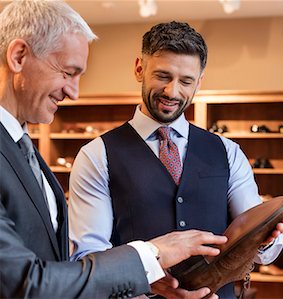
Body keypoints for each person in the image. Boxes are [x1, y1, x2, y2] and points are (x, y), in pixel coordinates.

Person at [0, 2, 228, 298]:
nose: (74, 92)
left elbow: (57, 268)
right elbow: (25, 283)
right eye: (68, 72)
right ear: (19, 56)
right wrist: (152, 253)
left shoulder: (22, 147)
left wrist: (140, 280)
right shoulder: (95, 153)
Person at [69, 21, 283, 298]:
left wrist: (265, 239)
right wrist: (145, 281)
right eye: (163, 76)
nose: (172, 92)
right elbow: (89, 258)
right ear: (139, 68)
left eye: (186, 81)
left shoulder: (228, 152)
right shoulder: (96, 155)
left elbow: (262, 251)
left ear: (199, 81)